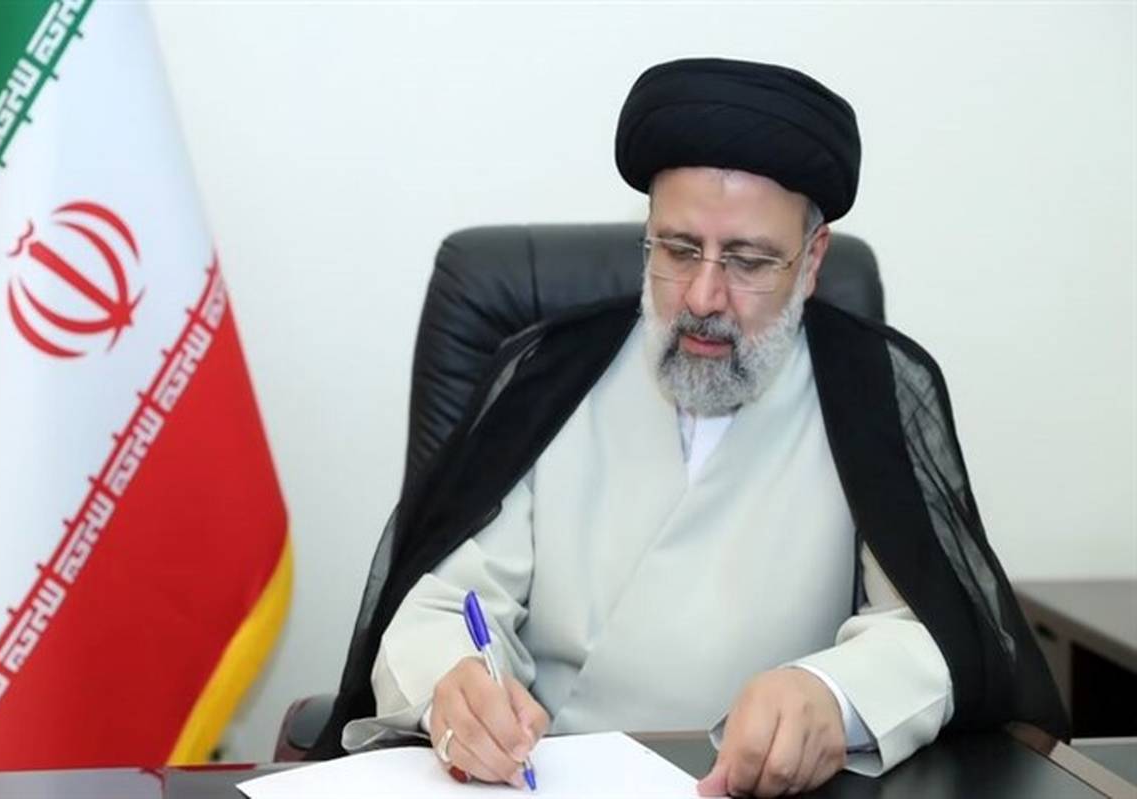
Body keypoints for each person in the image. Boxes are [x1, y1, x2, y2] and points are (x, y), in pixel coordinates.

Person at [308, 58, 1068, 797]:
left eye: (748, 261)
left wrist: (833, 693)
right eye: (677, 250)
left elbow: (936, 630)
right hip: (542, 780)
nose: (704, 297)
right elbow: (447, 603)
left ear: (811, 261)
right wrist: (454, 684)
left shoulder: (871, 386)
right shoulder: (548, 373)